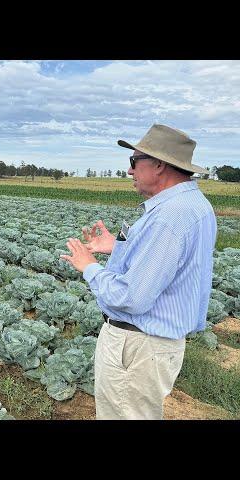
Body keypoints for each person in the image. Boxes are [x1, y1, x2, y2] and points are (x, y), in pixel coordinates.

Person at [60, 124, 216, 420]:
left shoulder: (169, 217)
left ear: (158, 165)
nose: (130, 171)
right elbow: (167, 263)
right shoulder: (194, 205)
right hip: (154, 345)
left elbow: (132, 298)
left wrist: (89, 267)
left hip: (137, 347)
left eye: (134, 162)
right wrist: (117, 247)